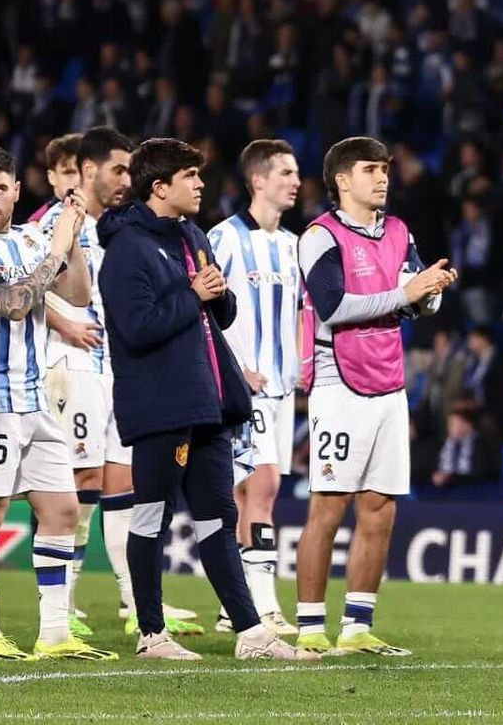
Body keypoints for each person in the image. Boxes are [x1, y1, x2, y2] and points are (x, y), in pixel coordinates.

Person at [96, 138, 311, 661]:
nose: (199, 185)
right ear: (159, 186)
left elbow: (221, 314)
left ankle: (252, 633)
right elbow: (137, 328)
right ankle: (151, 634)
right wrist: (193, 294)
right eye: (189, 176)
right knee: (151, 517)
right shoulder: (127, 250)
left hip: (210, 402)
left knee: (217, 517)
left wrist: (217, 294)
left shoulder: (191, 235)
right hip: (161, 404)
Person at [293, 135, 456, 657]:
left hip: (389, 379)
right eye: (370, 169)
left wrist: (429, 294)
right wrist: (407, 294)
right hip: (339, 382)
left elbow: (410, 300)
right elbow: (333, 306)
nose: (382, 177)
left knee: (380, 507)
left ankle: (358, 626)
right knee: (329, 504)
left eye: (385, 168)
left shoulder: (400, 231)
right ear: (342, 180)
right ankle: (311, 627)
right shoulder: (320, 235)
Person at [0, 143, 115, 662]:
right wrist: (56, 249)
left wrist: (74, 238)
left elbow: (80, 294)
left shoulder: (26, 238)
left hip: (33, 396)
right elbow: (16, 305)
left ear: (18, 192)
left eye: (0, 189)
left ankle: (54, 633)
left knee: (62, 508)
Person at [41, 128, 197, 636]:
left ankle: (136, 604)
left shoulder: (119, 226)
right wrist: (63, 323)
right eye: (118, 170)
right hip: (71, 364)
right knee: (81, 482)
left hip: (117, 368)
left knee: (123, 486)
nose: (127, 180)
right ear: (88, 170)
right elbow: (20, 285)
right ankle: (62, 604)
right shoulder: (56, 221)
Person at [208, 139, 304, 635]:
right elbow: (206, 311)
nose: (296, 181)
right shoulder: (223, 239)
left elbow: (301, 313)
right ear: (259, 180)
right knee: (259, 486)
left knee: (256, 492)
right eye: (286, 173)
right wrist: (234, 367)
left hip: (283, 388)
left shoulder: (293, 246)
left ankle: (234, 607)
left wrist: (303, 361)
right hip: (243, 384)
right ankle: (263, 606)